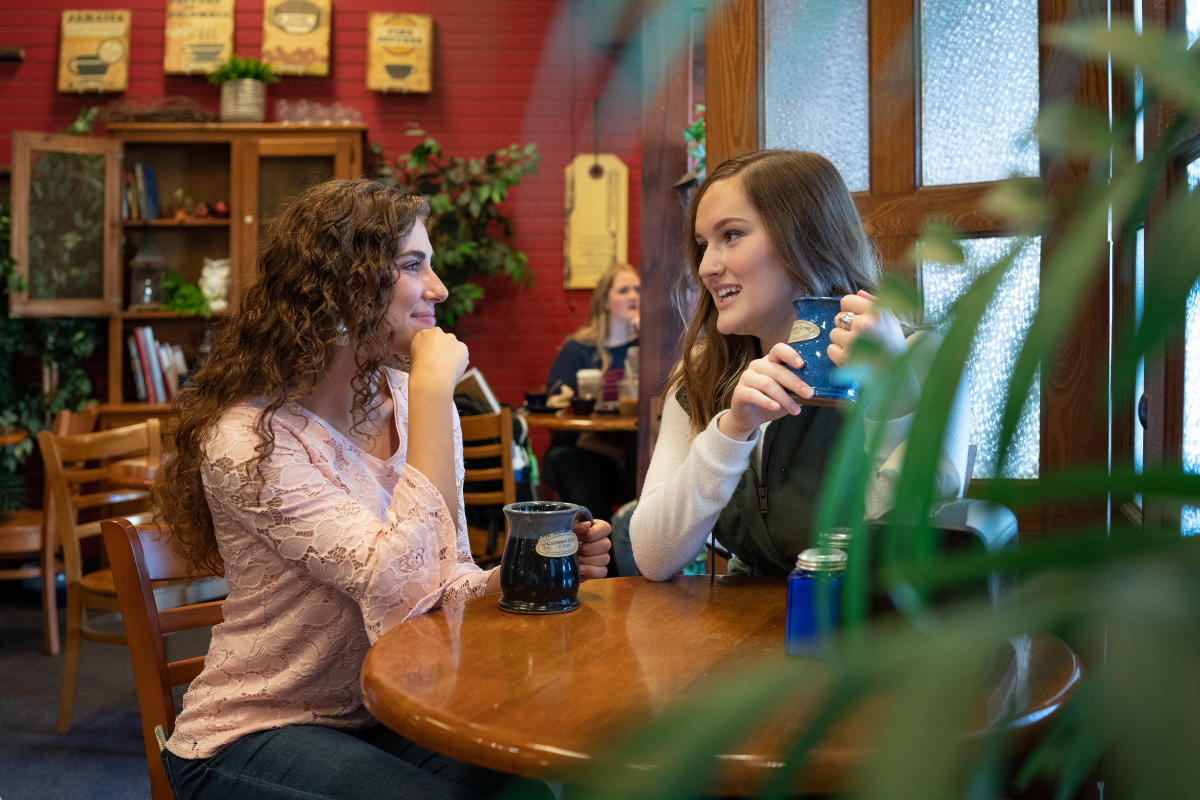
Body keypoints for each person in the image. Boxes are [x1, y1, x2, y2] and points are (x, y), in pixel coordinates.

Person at [153, 178, 611, 800]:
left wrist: (523, 572)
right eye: (413, 265)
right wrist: (430, 392)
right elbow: (397, 589)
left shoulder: (409, 400)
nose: (440, 288)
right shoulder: (249, 439)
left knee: (533, 783)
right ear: (343, 284)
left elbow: (441, 583)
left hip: (383, 706)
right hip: (255, 729)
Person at [629, 150, 969, 580]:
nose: (707, 267)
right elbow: (652, 557)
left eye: (731, 235)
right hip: (740, 632)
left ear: (806, 238)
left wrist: (892, 393)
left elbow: (897, 553)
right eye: (702, 245)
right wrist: (732, 432)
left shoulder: (923, 357)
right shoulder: (701, 369)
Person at [540, 263, 640, 523]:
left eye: (638, 290)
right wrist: (607, 451)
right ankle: (600, 556)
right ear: (605, 302)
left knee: (642, 458)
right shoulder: (578, 349)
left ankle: (635, 552)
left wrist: (645, 335)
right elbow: (557, 411)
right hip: (584, 450)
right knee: (573, 462)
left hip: (636, 446)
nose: (633, 296)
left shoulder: (650, 345)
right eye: (624, 290)